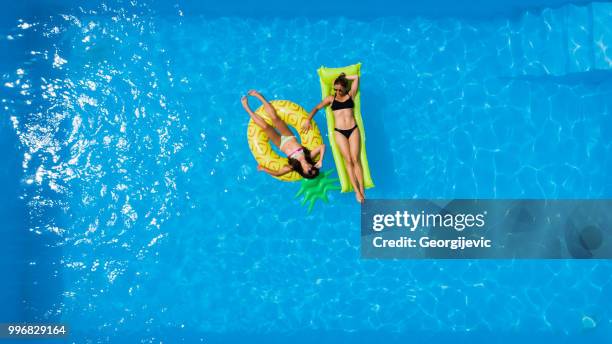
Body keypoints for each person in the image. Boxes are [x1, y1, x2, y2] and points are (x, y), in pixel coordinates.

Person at [302, 73, 364, 203]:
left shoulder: (350, 94)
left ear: (345, 88)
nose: (337, 91)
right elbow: (316, 108)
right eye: (335, 89)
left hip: (353, 130)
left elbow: (356, 78)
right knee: (348, 159)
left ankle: (362, 191)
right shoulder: (330, 99)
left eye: (339, 89)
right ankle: (357, 191)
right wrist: (308, 119)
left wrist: (344, 77)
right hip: (340, 132)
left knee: (355, 159)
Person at [241, 90, 325, 179]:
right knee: (274, 117)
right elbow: (322, 146)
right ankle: (259, 96)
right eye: (313, 169)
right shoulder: (309, 156)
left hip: (280, 144)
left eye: (309, 172)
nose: (310, 168)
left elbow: (278, 173)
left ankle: (246, 107)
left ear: (304, 172)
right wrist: (320, 160)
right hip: (289, 136)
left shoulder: (293, 167)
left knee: (265, 127)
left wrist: (263, 169)